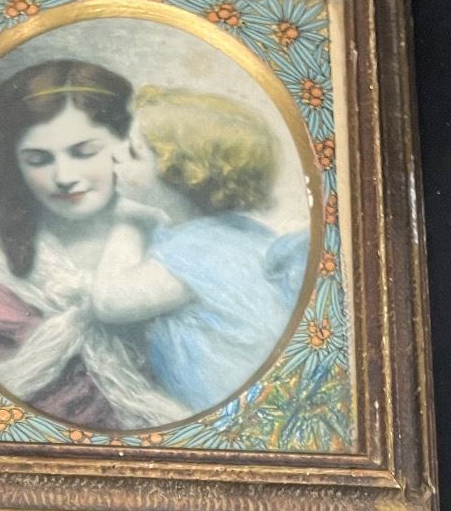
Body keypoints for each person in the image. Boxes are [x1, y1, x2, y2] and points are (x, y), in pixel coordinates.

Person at [0, 59, 184, 429]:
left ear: (124, 145)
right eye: (38, 159)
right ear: (14, 164)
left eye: (84, 152)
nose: (64, 177)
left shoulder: (172, 241)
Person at [90, 86, 310, 414]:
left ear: (179, 176)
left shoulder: (203, 250)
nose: (116, 153)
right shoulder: (223, 233)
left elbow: (108, 302)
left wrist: (127, 221)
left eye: (134, 151)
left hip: (228, 409)